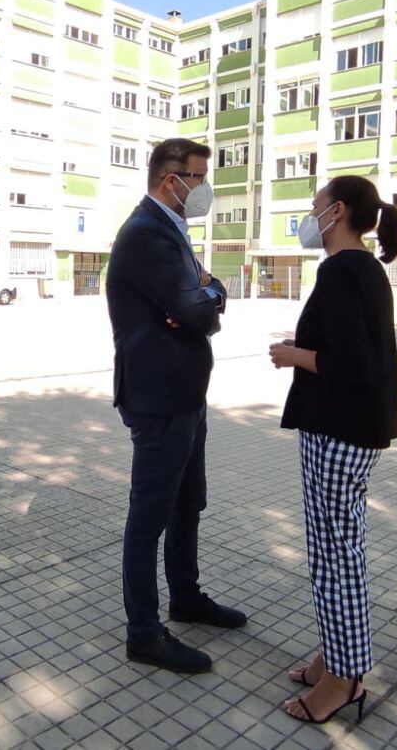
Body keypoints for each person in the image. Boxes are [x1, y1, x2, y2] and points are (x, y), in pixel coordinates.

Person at [268, 175, 397, 724]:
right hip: (349, 427)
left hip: (340, 429)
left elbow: (354, 365)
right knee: (335, 549)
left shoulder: (343, 269)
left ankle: (346, 680)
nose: (310, 217)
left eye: (315, 207)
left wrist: (291, 355)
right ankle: (336, 655)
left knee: (334, 556)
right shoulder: (364, 269)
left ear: (338, 211)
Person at [105, 138, 247, 674]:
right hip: (159, 398)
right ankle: (143, 633)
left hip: (185, 395)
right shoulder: (146, 233)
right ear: (172, 180)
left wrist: (208, 293)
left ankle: (185, 598)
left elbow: (206, 297)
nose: (204, 188)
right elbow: (196, 310)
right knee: (149, 518)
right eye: (199, 177)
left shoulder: (171, 230)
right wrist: (203, 299)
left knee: (188, 503)